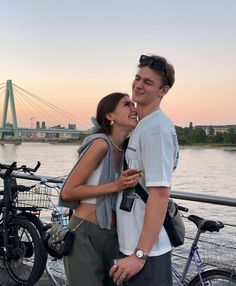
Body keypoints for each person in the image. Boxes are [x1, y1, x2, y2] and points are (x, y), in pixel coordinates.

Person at [110, 54, 179, 286]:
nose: (138, 85)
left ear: (164, 90)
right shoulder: (143, 125)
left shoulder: (156, 129)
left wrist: (139, 255)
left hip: (146, 254)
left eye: (148, 82)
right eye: (138, 78)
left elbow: (160, 194)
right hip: (133, 247)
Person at [59, 92, 140, 286]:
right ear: (110, 116)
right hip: (85, 233)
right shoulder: (100, 144)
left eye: (133, 104)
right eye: (127, 105)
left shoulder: (127, 150)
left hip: (114, 236)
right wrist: (116, 185)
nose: (134, 109)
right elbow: (68, 191)